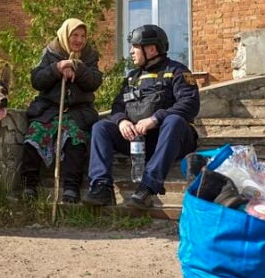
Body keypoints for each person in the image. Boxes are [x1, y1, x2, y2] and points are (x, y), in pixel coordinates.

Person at [82, 24, 199, 209]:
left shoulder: (177, 71)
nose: (131, 51)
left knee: (174, 120)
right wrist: (122, 121)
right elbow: (118, 106)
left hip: (172, 139)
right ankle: (101, 186)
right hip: (140, 141)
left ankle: (147, 188)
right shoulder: (132, 78)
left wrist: (155, 119)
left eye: (135, 47)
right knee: (100, 127)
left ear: (151, 49)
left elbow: (190, 104)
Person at [20, 18, 102, 203]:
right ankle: (29, 186)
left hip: (77, 112)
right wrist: (57, 68)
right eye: (75, 35)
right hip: (49, 110)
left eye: (82, 36)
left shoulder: (89, 56)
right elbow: (37, 80)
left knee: (75, 139)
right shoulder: (51, 52)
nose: (79, 40)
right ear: (65, 35)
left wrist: (77, 67)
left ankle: (71, 188)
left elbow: (95, 82)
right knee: (34, 136)